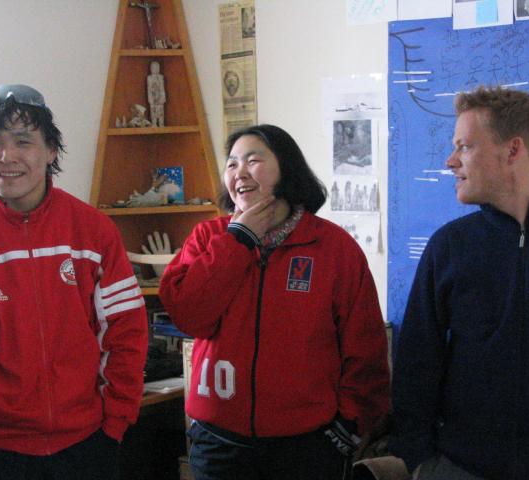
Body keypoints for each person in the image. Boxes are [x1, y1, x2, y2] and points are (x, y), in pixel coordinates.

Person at [0, 84, 148, 479]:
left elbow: (126, 332)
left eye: (23, 141)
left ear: (51, 151)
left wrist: (115, 423)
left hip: (87, 446)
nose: (6, 156)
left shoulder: (93, 231)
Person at [159, 124, 390, 480]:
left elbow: (365, 348)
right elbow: (189, 315)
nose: (239, 172)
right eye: (232, 164)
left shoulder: (333, 247)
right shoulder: (208, 238)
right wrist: (239, 240)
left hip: (308, 447)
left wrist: (347, 430)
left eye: (253, 160)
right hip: (220, 444)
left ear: (287, 168)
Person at [389, 86, 529, 479]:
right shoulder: (449, 246)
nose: (451, 161)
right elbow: (416, 364)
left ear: (513, 150)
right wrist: (418, 460)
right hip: (459, 467)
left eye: (465, 146)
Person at [146, 61, 166, 127]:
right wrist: (150, 99)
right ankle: (154, 123)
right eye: (154, 67)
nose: (155, 69)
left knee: (160, 111)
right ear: (151, 68)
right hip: (153, 96)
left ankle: (161, 123)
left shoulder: (161, 77)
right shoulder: (149, 78)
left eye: (157, 67)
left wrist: (163, 97)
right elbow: (149, 88)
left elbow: (162, 88)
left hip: (160, 96)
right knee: (153, 111)